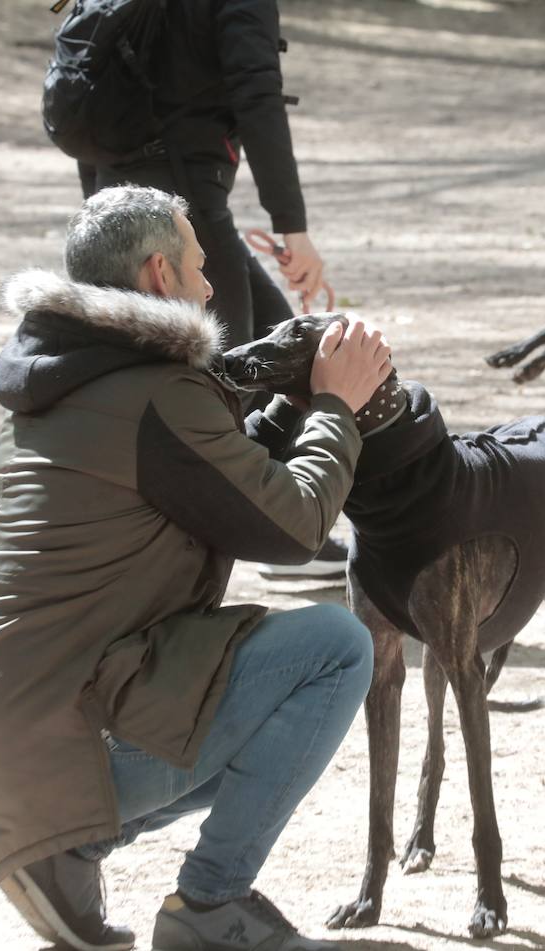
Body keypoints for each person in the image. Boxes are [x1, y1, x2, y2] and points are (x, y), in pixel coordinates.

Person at [0, 184, 391, 951]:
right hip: (63, 736)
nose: (212, 284)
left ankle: (68, 848)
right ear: (160, 275)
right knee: (334, 651)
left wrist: (293, 406)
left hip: (24, 744)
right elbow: (293, 527)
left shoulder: (76, 378)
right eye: (198, 263)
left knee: (270, 706)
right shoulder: (151, 392)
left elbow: (212, 471)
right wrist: (337, 408)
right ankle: (210, 909)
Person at [87, 0, 345, 580]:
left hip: (121, 196)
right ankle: (226, 533)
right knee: (235, 368)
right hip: (181, 198)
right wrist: (292, 229)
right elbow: (257, 93)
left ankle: (275, 532)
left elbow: (86, 79)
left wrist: (99, 206)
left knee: (272, 344)